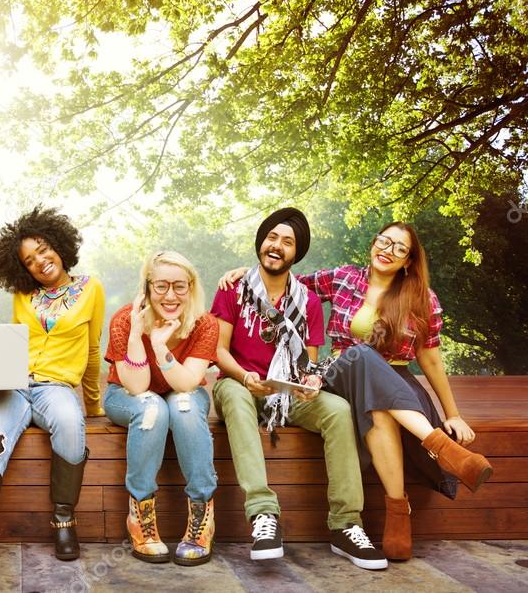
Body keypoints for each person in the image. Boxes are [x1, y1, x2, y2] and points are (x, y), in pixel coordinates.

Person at [294, 222, 490, 559]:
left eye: (400, 248)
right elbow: (286, 284)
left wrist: (453, 414)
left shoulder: (421, 298)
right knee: (361, 354)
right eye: (384, 241)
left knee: (379, 407)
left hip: (395, 384)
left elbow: (430, 360)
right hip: (340, 374)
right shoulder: (343, 277)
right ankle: (443, 449)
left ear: (409, 261)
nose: (388, 250)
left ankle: (398, 512)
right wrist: (247, 272)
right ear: (373, 243)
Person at [211, 207, 387, 570]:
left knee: (337, 410)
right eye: (272, 238)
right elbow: (218, 350)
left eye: (287, 242)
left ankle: (346, 523)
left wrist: (309, 382)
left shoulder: (307, 301)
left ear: (297, 253)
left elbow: (307, 362)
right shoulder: (234, 288)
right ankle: (263, 514)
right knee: (230, 392)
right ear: (261, 243)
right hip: (242, 385)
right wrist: (245, 376)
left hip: (285, 394)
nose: (277, 246)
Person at [0, 206, 104, 591]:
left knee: (70, 423)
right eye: (29, 261)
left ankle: (64, 520)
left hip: (57, 388)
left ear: (60, 246)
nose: (40, 262)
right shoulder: (22, 295)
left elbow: (94, 350)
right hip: (14, 386)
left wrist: (94, 404)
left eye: (44, 250)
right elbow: (12, 345)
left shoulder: (91, 290)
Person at [103, 250, 219, 566]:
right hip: (126, 395)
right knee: (152, 407)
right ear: (148, 287)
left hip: (181, 391)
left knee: (182, 406)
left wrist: (159, 346)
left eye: (179, 286)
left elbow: (186, 384)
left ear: (191, 287)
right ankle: (140, 517)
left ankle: (201, 517)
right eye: (161, 286)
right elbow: (137, 387)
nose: (170, 295)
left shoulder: (205, 324)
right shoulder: (125, 319)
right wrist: (140, 335)